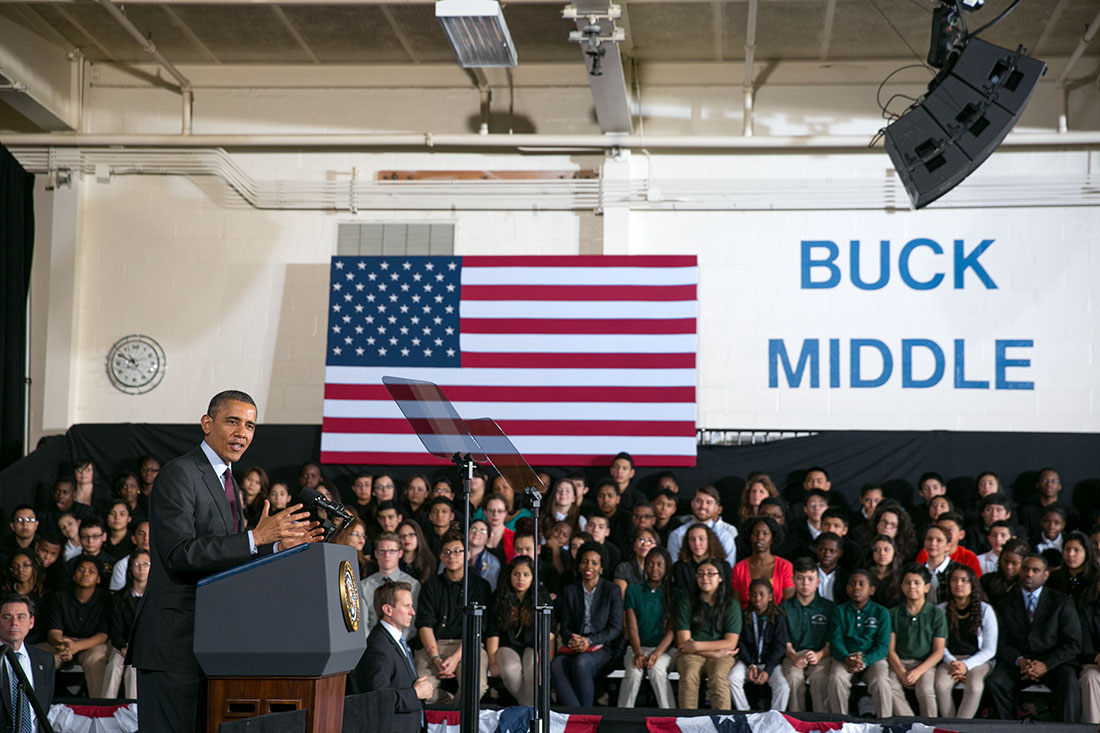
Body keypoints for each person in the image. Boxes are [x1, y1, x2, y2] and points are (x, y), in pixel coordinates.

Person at [131, 390, 319, 733]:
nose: (242, 432)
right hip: (174, 645)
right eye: (232, 421)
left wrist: (276, 547)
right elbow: (180, 554)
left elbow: (228, 557)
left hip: (211, 642)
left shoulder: (228, 481)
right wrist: (255, 538)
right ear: (207, 423)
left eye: (250, 425)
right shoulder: (180, 474)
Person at [987, 552, 1082, 722]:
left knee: (1069, 682)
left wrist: (1046, 664)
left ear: (1046, 575)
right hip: (1020, 664)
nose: (1029, 574)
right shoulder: (1005, 603)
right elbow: (1001, 643)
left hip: (1053, 663)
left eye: (1035, 570)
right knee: (996, 682)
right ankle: (1005, 729)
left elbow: (1073, 643)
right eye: (1025, 569)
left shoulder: (1061, 602)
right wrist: (1020, 661)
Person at [414, 531, 491, 704]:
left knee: (475, 688)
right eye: (446, 552)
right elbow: (425, 625)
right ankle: (447, 703)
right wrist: (435, 658)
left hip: (469, 645)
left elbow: (476, 627)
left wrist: (456, 657)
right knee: (420, 689)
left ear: (468, 555)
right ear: (441, 557)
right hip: (435, 645)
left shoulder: (480, 586)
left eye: (457, 551)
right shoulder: (431, 585)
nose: (452, 556)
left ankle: (454, 721)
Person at [355, 582, 433, 733]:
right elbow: (377, 699)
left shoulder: (396, 642)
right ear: (388, 609)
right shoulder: (378, 647)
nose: (413, 612)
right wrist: (415, 693)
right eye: (407, 606)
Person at [550, 541, 622, 707]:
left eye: (594, 563)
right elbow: (566, 626)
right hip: (576, 646)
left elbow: (615, 628)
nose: (589, 566)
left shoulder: (612, 590)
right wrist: (572, 640)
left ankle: (586, 717)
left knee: (581, 662)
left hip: (604, 648)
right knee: (556, 665)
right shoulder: (570, 590)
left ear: (601, 567)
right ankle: (580, 718)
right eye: (584, 562)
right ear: (579, 565)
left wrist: (589, 641)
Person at [486, 556, 554, 706]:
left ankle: (526, 708)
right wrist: (492, 662)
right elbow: (493, 632)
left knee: (532, 668)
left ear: (533, 577)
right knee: (511, 669)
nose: (520, 579)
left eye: (526, 574)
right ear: (509, 575)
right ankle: (529, 708)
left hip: (533, 646)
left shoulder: (541, 596)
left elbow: (549, 632)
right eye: (516, 574)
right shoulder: (498, 596)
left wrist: (546, 660)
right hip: (506, 646)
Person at [675, 557, 740, 709]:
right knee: (689, 676)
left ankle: (722, 724)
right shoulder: (687, 602)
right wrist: (713, 653)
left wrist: (697, 646)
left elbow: (731, 643)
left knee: (718, 677)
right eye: (701, 574)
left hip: (718, 654)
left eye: (711, 574)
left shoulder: (731, 605)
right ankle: (687, 725)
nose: (705, 578)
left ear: (720, 578)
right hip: (692, 655)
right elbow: (684, 644)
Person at [825, 569, 892, 715]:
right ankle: (840, 724)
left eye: (861, 584)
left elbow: (882, 647)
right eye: (852, 584)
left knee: (881, 681)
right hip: (846, 657)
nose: (856, 588)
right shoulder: (839, 611)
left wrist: (865, 660)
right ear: (847, 589)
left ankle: (885, 723)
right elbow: (836, 641)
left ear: (871, 590)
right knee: (836, 679)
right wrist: (846, 658)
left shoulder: (881, 612)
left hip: (872, 658)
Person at [934, 564, 997, 718]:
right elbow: (939, 644)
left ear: (972, 584)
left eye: (964, 580)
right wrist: (952, 662)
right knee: (941, 685)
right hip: (952, 660)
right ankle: (949, 726)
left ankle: (961, 725)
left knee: (975, 686)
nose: (959, 584)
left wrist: (966, 665)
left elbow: (990, 649)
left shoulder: (985, 610)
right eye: (954, 580)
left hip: (978, 661)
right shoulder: (941, 609)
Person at [43, 556, 110, 696]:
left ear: (98, 578)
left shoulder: (106, 599)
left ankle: (98, 707)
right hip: (62, 643)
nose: (85, 574)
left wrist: (76, 647)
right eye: (81, 570)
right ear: (73, 576)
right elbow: (53, 632)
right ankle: (36, 706)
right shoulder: (59, 597)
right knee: (43, 656)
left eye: (91, 571)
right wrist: (63, 645)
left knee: (96, 657)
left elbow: (103, 635)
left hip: (91, 644)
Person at [884, 564, 946, 716]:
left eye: (917, 583)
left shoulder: (936, 614)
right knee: (889, 687)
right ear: (901, 586)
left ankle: (930, 728)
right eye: (907, 582)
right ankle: (910, 724)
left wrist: (918, 672)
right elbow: (890, 649)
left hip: (925, 664)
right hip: (899, 662)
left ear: (926, 587)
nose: (912, 586)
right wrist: (901, 672)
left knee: (926, 690)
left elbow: (938, 652)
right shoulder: (893, 613)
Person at [617, 546, 675, 708]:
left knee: (656, 670)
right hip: (637, 647)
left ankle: (670, 717)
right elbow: (632, 627)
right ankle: (623, 717)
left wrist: (657, 653)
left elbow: (672, 630)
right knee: (634, 671)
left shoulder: (673, 593)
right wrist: (638, 653)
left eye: (659, 565)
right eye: (650, 564)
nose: (654, 568)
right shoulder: (633, 591)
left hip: (665, 650)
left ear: (666, 567)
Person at [729, 578, 790, 711]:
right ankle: (744, 712)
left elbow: (779, 647)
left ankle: (775, 716)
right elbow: (740, 644)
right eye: (754, 594)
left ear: (770, 597)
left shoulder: (778, 617)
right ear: (749, 596)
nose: (757, 598)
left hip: (770, 664)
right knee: (733, 678)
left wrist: (767, 670)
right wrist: (750, 664)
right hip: (748, 662)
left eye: (762, 594)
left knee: (783, 687)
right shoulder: (744, 615)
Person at [781, 557, 832, 712]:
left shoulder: (828, 607)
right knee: (794, 679)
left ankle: (821, 722)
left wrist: (818, 655)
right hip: (793, 654)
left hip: (821, 655)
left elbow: (832, 642)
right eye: (800, 578)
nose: (805, 583)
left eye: (810, 579)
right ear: (793, 580)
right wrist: (793, 656)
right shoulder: (783, 608)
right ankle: (796, 721)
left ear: (817, 582)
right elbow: (783, 642)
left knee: (819, 678)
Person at [0, 594, 54, 732]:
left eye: (21, 617)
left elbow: (43, 708)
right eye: (7, 617)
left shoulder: (45, 660)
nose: (14, 623)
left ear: (31, 622)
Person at [105, 548, 149, 699]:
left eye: (146, 564)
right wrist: (122, 646)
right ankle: (105, 705)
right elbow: (115, 628)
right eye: (137, 564)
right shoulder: (119, 598)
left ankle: (133, 709)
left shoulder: (156, 598)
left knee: (133, 667)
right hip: (123, 646)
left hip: (147, 647)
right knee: (114, 664)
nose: (141, 568)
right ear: (130, 568)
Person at [360, 531, 421, 640]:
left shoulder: (413, 584)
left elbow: (412, 623)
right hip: (373, 644)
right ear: (376, 554)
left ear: (400, 553)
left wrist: (398, 644)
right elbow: (363, 624)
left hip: (403, 642)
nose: (386, 555)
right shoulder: (364, 586)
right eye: (382, 551)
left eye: (392, 551)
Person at [667, 485, 738, 568]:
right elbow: (674, 569)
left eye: (708, 502)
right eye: (698, 501)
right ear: (692, 503)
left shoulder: (725, 537)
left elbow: (728, 569)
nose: (703, 506)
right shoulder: (677, 535)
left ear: (716, 507)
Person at [731, 517, 794, 608]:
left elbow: (788, 603)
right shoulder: (739, 568)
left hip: (778, 619)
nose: (760, 537)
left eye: (765, 533)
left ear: (773, 537)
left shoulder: (784, 566)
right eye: (755, 533)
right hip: (747, 619)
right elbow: (736, 605)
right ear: (749, 537)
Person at [671, 523, 731, 598]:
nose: (697, 543)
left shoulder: (724, 566)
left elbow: (726, 594)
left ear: (709, 540)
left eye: (701, 539)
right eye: (692, 539)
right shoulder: (680, 567)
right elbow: (682, 596)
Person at [1048, 530, 1100, 607]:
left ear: (1087, 552)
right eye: (1067, 549)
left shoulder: (1096, 577)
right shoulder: (1055, 577)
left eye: (1076, 550)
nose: (1070, 554)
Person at [980, 538, 1028, 606]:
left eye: (1014, 563)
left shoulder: (1027, 584)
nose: (1009, 567)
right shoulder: (986, 580)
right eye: (1006, 561)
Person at [866, 534, 903, 609]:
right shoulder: (865, 575)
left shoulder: (901, 576)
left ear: (894, 552)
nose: (882, 553)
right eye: (877, 550)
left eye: (886, 550)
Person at [468, 518, 501, 591]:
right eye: (473, 529)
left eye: (482, 531)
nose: (477, 533)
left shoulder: (493, 562)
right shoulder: (454, 554)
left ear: (488, 540)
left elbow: (491, 588)